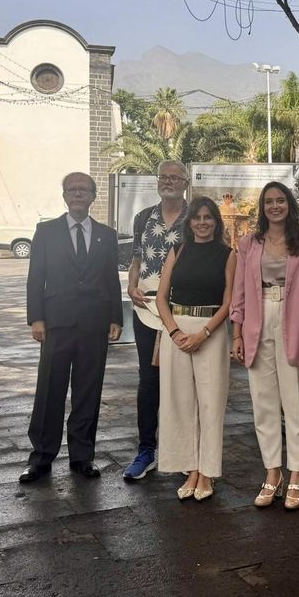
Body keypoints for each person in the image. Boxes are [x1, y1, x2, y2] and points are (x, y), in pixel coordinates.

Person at [20, 172, 122, 483]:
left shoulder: (107, 234)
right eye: (72, 190)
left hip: (94, 324)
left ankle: (82, 456)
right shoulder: (46, 232)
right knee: (50, 389)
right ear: (64, 196)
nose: (78, 194)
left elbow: (110, 281)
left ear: (93, 196)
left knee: (88, 391)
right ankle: (41, 457)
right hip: (56, 324)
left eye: (84, 190)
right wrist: (36, 317)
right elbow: (36, 277)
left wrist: (116, 318)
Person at [230, 182, 299, 510]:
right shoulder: (249, 244)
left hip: (294, 320)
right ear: (263, 208)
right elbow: (239, 293)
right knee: (263, 403)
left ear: (289, 205)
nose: (275, 206)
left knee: (296, 402)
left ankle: (297, 474)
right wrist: (237, 334)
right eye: (269, 201)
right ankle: (272, 472)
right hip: (257, 319)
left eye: (280, 200)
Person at [155, 196, 236, 501]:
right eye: (197, 218)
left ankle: (207, 471)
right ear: (189, 223)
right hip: (177, 332)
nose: (203, 223)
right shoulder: (178, 250)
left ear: (216, 222)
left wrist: (203, 333)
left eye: (208, 218)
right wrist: (174, 331)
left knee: (210, 403)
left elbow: (229, 301)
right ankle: (189, 467)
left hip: (210, 333)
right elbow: (162, 297)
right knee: (180, 402)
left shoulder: (228, 255)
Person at [123, 160, 190, 481]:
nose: (169, 182)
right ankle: (146, 450)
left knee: (183, 381)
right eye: (164, 177)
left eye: (175, 177)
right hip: (146, 310)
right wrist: (130, 283)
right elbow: (137, 256)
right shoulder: (143, 217)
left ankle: (185, 453)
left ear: (186, 183)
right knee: (149, 380)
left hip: (183, 311)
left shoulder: (197, 216)